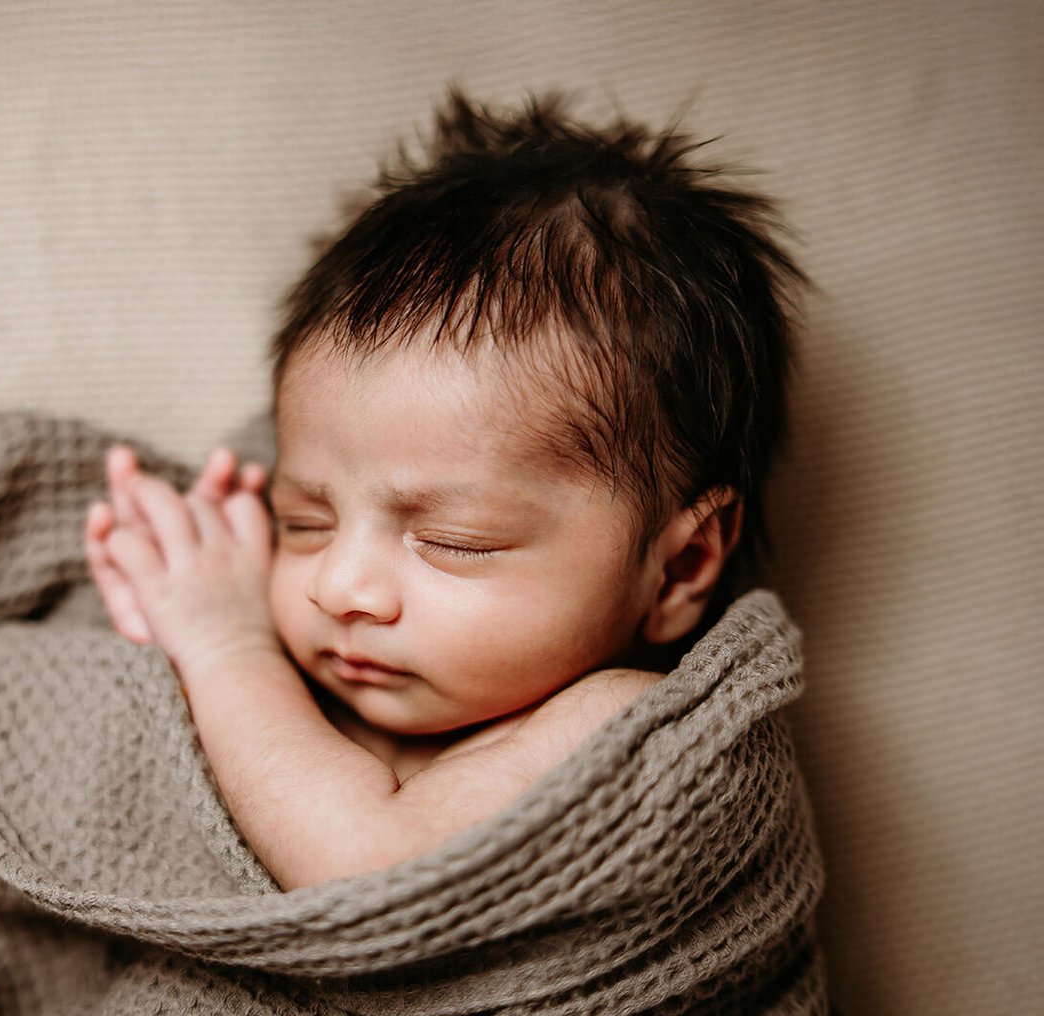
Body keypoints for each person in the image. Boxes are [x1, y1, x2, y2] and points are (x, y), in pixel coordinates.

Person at [83, 90, 804, 891]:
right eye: (306, 521)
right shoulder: (337, 684)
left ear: (680, 566)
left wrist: (226, 648)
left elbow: (364, 872)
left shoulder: (632, 723)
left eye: (452, 540)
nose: (339, 587)